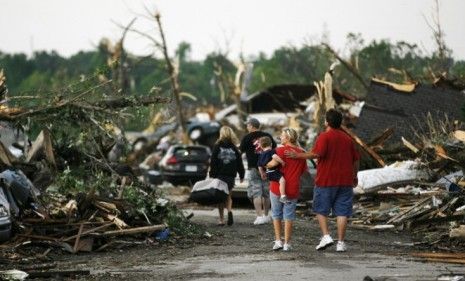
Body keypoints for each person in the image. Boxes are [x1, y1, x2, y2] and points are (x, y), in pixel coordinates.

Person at [286, 109, 360, 252]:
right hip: (345, 180)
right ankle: (341, 243)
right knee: (342, 212)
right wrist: (354, 175)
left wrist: (297, 155)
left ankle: (326, 236)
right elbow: (355, 160)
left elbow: (315, 154)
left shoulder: (324, 137)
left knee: (321, 209)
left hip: (326, 180)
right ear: (340, 122)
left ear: (327, 121)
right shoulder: (348, 139)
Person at [266, 128, 307, 251]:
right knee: (289, 216)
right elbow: (303, 171)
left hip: (276, 187)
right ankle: (287, 244)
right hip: (293, 188)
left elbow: (270, 165)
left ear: (288, 138)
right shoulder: (301, 153)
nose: (280, 137)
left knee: (276, 214)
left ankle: (278, 241)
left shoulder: (279, 150)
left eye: (282, 136)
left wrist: (266, 163)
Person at [240, 117, 276, 225]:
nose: (247, 127)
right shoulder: (268, 136)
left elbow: (241, 150)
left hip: (253, 167)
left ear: (251, 126)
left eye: (247, 125)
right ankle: (266, 215)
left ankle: (259, 216)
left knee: (256, 193)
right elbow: (274, 148)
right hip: (268, 166)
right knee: (266, 193)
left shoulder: (247, 137)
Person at [209, 126, 245, 226]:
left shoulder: (217, 146)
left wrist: (212, 174)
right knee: (228, 196)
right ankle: (229, 211)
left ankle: (221, 220)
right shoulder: (234, 147)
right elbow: (239, 162)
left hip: (220, 175)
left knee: (220, 197)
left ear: (221, 134)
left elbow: (213, 161)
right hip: (230, 176)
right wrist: (241, 174)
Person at [257, 136, 288, 203]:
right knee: (282, 181)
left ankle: (281, 196)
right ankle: (283, 196)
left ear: (261, 146)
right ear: (271, 144)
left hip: (268, 173)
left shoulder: (261, 154)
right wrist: (282, 162)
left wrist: (262, 174)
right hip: (274, 171)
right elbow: (275, 157)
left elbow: (259, 166)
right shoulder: (271, 151)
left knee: (277, 183)